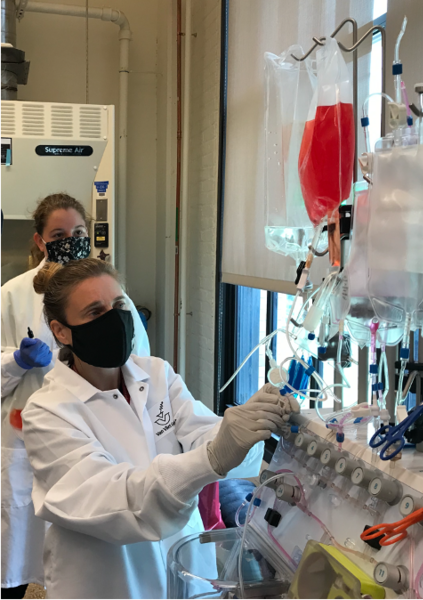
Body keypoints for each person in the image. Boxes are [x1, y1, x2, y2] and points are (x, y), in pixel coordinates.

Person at [21, 258, 297, 599]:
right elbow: (110, 496)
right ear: (61, 331)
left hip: (185, 561)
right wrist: (210, 458)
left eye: (118, 305)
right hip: (109, 579)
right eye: (95, 312)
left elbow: (207, 436)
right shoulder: (48, 411)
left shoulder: (156, 374)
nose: (114, 319)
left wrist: (252, 425)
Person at [0, 194, 150, 599]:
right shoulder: (11, 295)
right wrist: (16, 361)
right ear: (39, 240)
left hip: (95, 432)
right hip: (23, 436)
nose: (71, 241)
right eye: (59, 234)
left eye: (79, 233)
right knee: (18, 555)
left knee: (89, 548)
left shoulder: (113, 294)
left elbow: (141, 370)